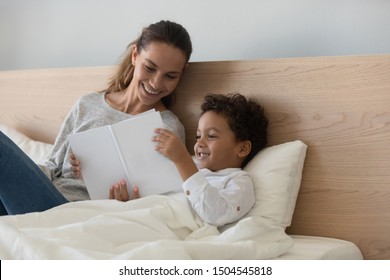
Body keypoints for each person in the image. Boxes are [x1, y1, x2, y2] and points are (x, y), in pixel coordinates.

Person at [0, 20, 192, 215]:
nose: (156, 82)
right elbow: (53, 167)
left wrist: (127, 202)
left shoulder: (167, 128)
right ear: (135, 56)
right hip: (49, 194)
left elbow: (162, 199)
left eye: (170, 76)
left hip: (73, 210)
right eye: (150, 68)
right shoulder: (87, 104)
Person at [155, 93, 269, 225]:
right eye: (198, 136)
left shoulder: (238, 181)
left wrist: (183, 161)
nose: (199, 143)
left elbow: (215, 214)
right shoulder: (190, 166)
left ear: (242, 148)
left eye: (211, 136)